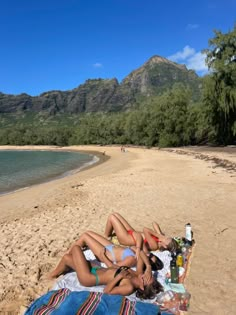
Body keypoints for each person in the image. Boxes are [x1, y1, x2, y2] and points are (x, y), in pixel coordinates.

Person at [49, 245, 163, 299]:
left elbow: (107, 291)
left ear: (142, 287)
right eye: (148, 275)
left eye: (146, 279)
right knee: (67, 258)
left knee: (76, 248)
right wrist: (148, 267)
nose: (145, 275)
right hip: (96, 269)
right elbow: (140, 254)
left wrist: (119, 277)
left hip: (89, 277)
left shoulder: (129, 287)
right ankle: (53, 275)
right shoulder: (138, 274)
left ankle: (54, 274)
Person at [105, 212, 178, 253]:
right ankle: (109, 234)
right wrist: (159, 234)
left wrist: (159, 236)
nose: (166, 237)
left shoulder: (154, 245)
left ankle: (106, 236)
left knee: (112, 217)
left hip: (128, 239)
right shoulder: (159, 239)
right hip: (133, 233)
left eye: (167, 239)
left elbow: (145, 230)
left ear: (165, 246)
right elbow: (154, 223)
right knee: (115, 214)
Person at [66, 231, 137, 268]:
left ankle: (68, 254)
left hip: (106, 254)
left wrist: (103, 256)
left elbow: (113, 267)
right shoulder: (138, 252)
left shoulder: (131, 259)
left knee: (85, 237)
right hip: (111, 246)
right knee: (87, 233)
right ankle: (69, 252)